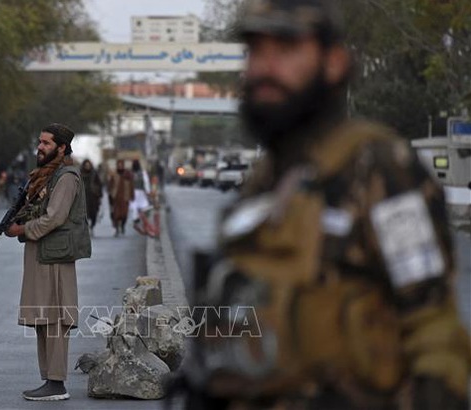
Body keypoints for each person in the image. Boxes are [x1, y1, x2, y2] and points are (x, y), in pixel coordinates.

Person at [172, 1, 471, 409]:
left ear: (334, 63)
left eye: (286, 50)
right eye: (256, 52)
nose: (265, 68)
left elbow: (434, 332)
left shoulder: (378, 166)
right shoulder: (267, 179)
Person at [4, 123, 91, 401]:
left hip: (55, 255)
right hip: (41, 254)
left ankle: (56, 382)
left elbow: (55, 217)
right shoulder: (45, 176)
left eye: (46, 143)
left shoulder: (65, 177)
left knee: (55, 319)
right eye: (39, 142)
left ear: (61, 147)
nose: (40, 147)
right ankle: (49, 381)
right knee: (42, 318)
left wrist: (22, 230)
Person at [107, 159, 134, 237]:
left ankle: (122, 226)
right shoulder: (114, 175)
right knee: (116, 215)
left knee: (124, 215)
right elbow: (110, 185)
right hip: (116, 198)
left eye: (121, 165)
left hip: (125, 198)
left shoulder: (128, 175)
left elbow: (131, 186)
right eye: (118, 165)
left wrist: (132, 195)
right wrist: (110, 193)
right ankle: (117, 229)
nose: (120, 166)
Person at [80, 159, 103, 235]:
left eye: (88, 165)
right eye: (86, 165)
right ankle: (87, 228)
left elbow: (99, 184)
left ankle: (92, 226)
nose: (87, 167)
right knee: (84, 214)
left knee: (94, 214)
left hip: (93, 197)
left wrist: (98, 193)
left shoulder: (94, 174)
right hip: (83, 197)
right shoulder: (80, 173)